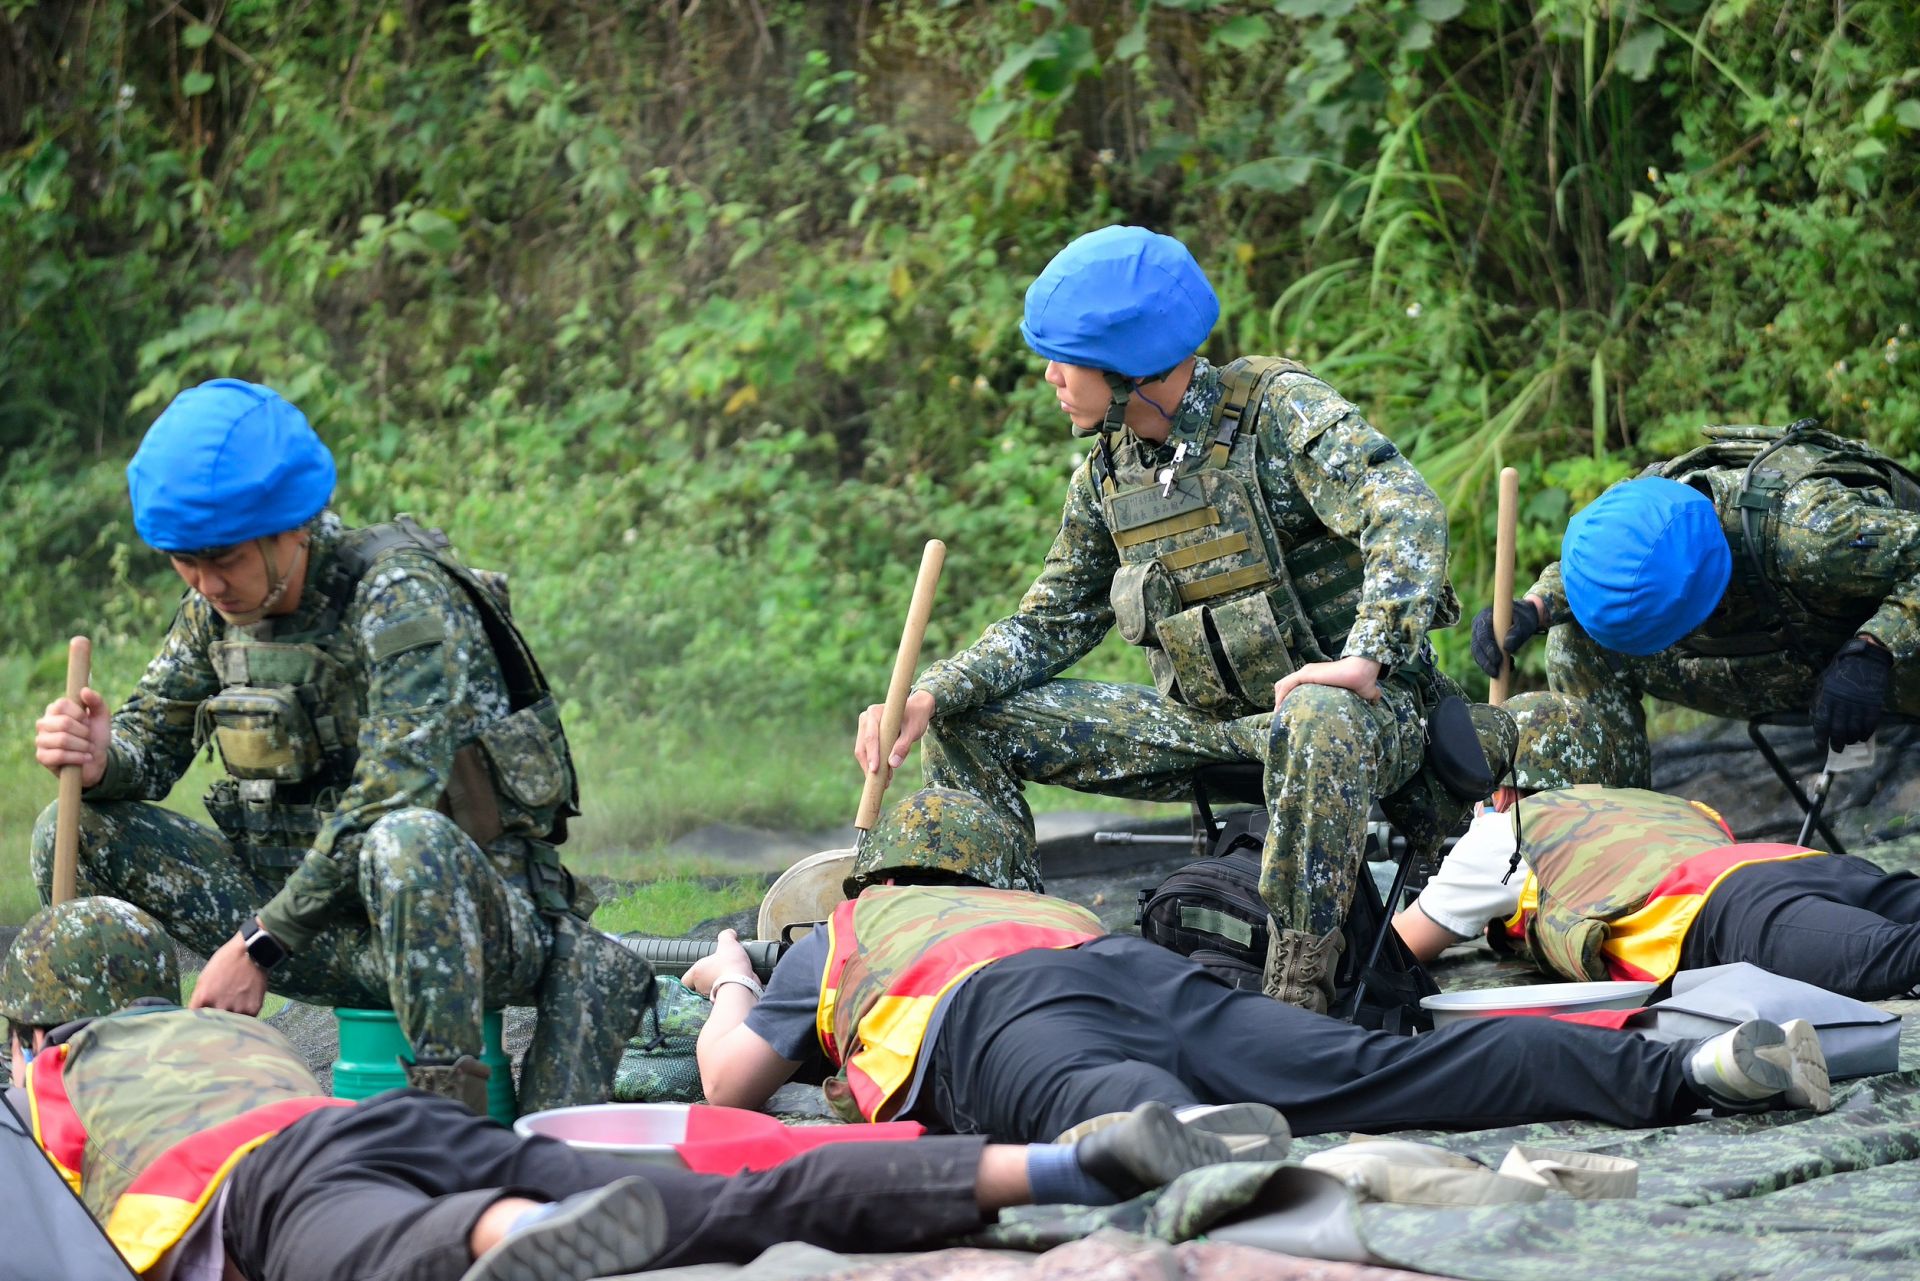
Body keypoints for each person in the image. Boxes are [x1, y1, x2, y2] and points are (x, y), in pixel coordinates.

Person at [854, 225, 1475, 1012]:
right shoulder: (1111, 470)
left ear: (1130, 368)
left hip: (1356, 721)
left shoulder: (1278, 415)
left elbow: (1408, 513)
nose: (1050, 376)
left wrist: (1366, 656)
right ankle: (1008, 968)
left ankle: (1296, 1007)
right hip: (1206, 726)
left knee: (1317, 713)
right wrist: (930, 694)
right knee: (969, 719)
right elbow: (1048, 623)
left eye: (1064, 358)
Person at [2, 897, 1257, 1281]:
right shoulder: (234, 1039)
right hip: (389, 1127)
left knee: (372, 1254)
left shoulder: (54, 1079)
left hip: (266, 1188)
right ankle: (1054, 1167)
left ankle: (519, 1239)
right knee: (728, 1186)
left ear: (32, 1029)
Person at [27, 378, 649, 1113]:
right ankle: (132, 1090)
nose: (205, 581)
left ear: (294, 524)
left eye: (222, 556)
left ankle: (445, 1125)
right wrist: (105, 756)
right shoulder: (215, 607)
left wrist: (259, 943)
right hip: (311, 929)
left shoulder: (399, 595)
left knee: (404, 839)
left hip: (461, 930)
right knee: (76, 830)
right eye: (182, 560)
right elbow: (151, 742)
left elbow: (394, 794)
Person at [690, 788, 1832, 1153]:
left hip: (995, 1017)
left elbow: (733, 1087)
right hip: (1137, 973)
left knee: (1125, 1127)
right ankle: (1691, 1073)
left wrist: (732, 981)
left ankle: (1226, 1166)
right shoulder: (1023, 896)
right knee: (1390, 1072)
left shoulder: (855, 929)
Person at [1470, 421, 1920, 783]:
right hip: (1771, 658)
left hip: (1864, 664)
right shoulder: (1639, 504)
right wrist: (1535, 607)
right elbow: (1611, 563)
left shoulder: (1813, 534)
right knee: (1572, 641)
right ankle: (1618, 827)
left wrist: (1875, 649)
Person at [1393, 693, 1920, 1000]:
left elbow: (1399, 949)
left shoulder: (1510, 832)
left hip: (1731, 910)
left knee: (1894, 960)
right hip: (1814, 868)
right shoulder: (1661, 803)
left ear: (1504, 785)